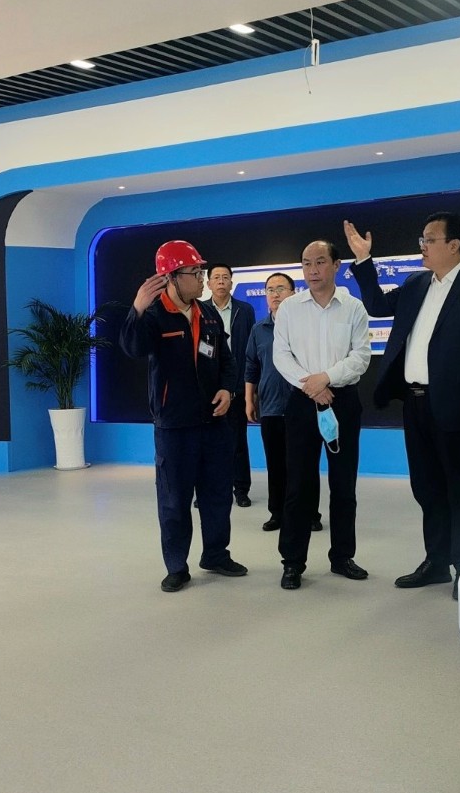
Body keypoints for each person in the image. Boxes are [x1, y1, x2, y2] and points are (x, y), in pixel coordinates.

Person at [345, 212, 460, 600]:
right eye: (422, 240)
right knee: (427, 487)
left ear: (454, 245)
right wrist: (364, 259)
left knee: (459, 488)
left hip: (456, 406)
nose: (423, 246)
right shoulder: (417, 283)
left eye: (429, 240)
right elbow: (376, 304)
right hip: (415, 403)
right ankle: (436, 561)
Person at [118, 240, 248, 592]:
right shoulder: (154, 316)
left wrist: (228, 389)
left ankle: (216, 555)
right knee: (174, 501)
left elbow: (227, 360)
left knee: (217, 495)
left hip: (214, 423)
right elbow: (132, 347)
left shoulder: (207, 314)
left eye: (202, 272)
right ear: (171, 277)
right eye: (196, 273)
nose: (203, 279)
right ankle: (176, 566)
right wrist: (137, 309)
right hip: (175, 427)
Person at [272, 240, 372, 590]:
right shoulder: (290, 308)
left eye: (319, 262)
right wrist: (312, 385)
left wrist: (326, 378)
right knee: (299, 484)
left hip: (342, 399)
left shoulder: (353, 307)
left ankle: (342, 557)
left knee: (343, 484)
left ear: (336, 265)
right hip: (302, 401)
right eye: (306, 263)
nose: (312, 270)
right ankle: (292, 562)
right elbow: (281, 355)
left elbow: (361, 356)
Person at [244, 272, 322, 533]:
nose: (275, 294)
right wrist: (249, 400)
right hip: (271, 407)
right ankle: (277, 513)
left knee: (305, 464)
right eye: (270, 289)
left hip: (303, 405)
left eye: (281, 288)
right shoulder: (259, 330)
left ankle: (310, 513)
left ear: (293, 292)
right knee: (275, 464)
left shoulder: (306, 325)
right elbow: (251, 366)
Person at [206, 263, 256, 507]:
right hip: (209, 388)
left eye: (225, 277)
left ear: (231, 282)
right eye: (216, 277)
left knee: (238, 442)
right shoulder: (201, 310)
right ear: (208, 283)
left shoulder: (244, 310)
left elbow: (251, 350)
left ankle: (241, 490)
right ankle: (209, 490)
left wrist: (248, 389)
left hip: (236, 386)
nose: (221, 281)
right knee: (208, 443)